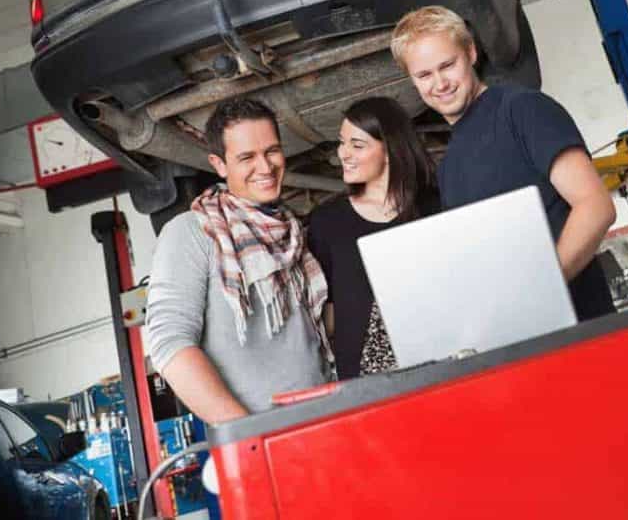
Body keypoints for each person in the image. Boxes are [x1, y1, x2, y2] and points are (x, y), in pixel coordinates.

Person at [391, 6, 617, 321]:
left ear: (470, 52)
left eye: (447, 65)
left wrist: (543, 290)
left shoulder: (522, 110)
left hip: (580, 328)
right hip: (516, 336)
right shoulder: (449, 165)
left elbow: (595, 206)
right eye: (424, 75)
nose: (440, 83)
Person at [145, 99, 330, 422]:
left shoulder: (292, 229)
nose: (265, 167)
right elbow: (169, 345)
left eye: (271, 151)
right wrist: (248, 435)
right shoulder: (193, 232)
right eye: (247, 157)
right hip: (261, 446)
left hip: (323, 426)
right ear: (219, 164)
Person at [308, 97, 440, 380]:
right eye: (342, 142)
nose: (343, 153)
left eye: (357, 145)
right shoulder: (326, 221)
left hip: (438, 365)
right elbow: (327, 317)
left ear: (390, 150)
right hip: (366, 383)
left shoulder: (436, 206)